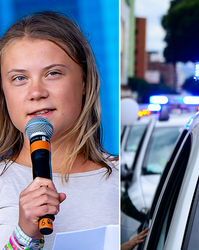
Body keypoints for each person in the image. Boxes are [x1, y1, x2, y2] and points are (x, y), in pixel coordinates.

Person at [0, 11, 119, 250]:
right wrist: (24, 236)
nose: (36, 92)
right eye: (20, 78)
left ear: (84, 82)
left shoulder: (120, 178)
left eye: (52, 73)